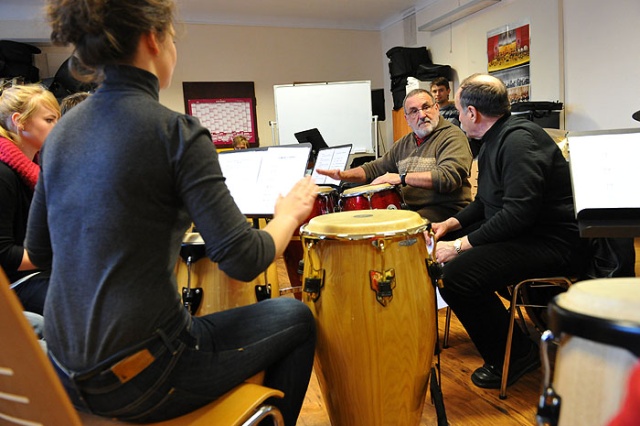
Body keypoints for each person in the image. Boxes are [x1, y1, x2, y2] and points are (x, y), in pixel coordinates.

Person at [27, 1, 318, 424]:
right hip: (140, 378)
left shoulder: (60, 135)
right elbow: (244, 259)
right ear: (152, 39)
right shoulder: (176, 132)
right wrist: (288, 215)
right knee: (296, 316)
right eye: (173, 41)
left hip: (61, 373)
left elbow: (41, 252)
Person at [429, 74, 587, 389]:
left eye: (460, 110)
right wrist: (452, 224)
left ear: (472, 113)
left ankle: (516, 355)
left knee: (456, 276)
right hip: (528, 234)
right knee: (447, 260)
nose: (458, 117)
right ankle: (507, 339)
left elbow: (518, 214)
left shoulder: (518, 142)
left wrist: (460, 246)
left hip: (552, 243)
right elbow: (486, 202)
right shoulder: (495, 139)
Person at [316, 88, 472, 223]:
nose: (422, 115)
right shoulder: (404, 143)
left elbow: (448, 177)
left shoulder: (452, 136)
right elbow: (374, 169)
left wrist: (401, 177)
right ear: (407, 119)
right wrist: (343, 175)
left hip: (446, 211)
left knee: (393, 227)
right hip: (409, 209)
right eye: (414, 111)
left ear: (437, 108)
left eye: (426, 107)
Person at [0, 83, 59, 315]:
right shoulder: (3, 175)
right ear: (19, 121)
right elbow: (4, 255)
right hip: (15, 284)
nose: (58, 127)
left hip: (38, 273)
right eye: (49, 120)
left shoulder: (35, 169)